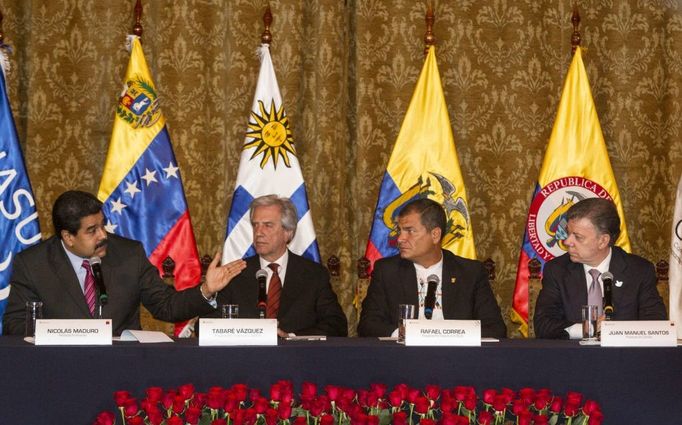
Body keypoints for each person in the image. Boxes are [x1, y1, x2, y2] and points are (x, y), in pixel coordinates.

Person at [2, 190, 246, 335]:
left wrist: (206, 290)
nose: (103, 235)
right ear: (68, 237)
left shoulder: (129, 254)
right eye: (92, 230)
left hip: (120, 370)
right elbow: (15, 324)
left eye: (102, 225)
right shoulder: (33, 264)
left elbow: (167, 306)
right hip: (57, 368)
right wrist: (69, 335)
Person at [358, 198, 507, 338]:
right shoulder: (387, 271)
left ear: (435, 235)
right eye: (400, 231)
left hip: (457, 357)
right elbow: (367, 325)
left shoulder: (470, 272)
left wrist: (450, 335)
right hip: (404, 357)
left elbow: (495, 328)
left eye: (410, 231)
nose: (400, 239)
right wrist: (404, 334)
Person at [206, 195, 347, 337]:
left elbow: (336, 324)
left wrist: (291, 337)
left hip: (297, 357)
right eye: (255, 225)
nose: (258, 232)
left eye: (268, 225)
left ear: (288, 232)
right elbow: (206, 326)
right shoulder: (236, 273)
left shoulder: (314, 275)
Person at [534, 197, 667, 339]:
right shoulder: (557, 270)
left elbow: (655, 324)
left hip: (623, 358)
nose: (567, 241)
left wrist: (615, 331)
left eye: (577, 237)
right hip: (573, 357)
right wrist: (588, 328)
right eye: (568, 233)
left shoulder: (639, 271)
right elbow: (543, 325)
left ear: (603, 241)